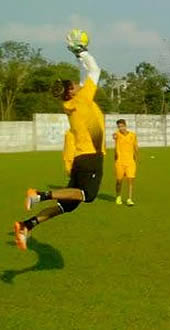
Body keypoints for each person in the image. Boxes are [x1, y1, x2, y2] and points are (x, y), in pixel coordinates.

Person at [14, 39, 105, 250]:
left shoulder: (70, 103)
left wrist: (77, 56)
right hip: (91, 157)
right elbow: (95, 71)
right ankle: (39, 194)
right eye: (74, 84)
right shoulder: (82, 100)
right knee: (87, 195)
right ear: (72, 91)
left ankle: (26, 225)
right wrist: (81, 51)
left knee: (68, 205)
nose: (77, 83)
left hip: (81, 159)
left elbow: (86, 76)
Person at [113, 119, 138, 206]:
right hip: (120, 161)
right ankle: (118, 196)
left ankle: (129, 199)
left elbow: (136, 147)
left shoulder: (133, 135)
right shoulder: (117, 134)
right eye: (119, 127)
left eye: (122, 126)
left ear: (125, 125)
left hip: (130, 161)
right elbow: (114, 137)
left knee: (130, 180)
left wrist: (136, 158)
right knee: (119, 181)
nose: (121, 128)